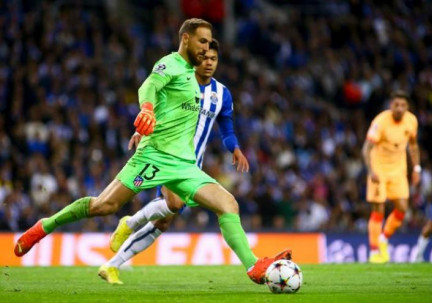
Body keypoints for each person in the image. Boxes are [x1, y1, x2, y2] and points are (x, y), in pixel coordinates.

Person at [14, 18, 291, 284]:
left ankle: (253, 267)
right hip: (154, 156)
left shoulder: (202, 81)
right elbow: (149, 86)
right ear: (186, 39)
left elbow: (178, 109)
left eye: (210, 47)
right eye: (202, 42)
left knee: (228, 204)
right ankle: (45, 225)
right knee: (103, 206)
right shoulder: (170, 63)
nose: (206, 50)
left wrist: (232, 145)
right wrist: (146, 109)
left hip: (185, 165)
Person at [98, 39, 251, 284]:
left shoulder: (222, 94)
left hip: (192, 165)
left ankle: (115, 256)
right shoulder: (179, 80)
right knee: (174, 203)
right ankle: (124, 237)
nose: (209, 63)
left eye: (214, 59)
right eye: (205, 58)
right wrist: (142, 129)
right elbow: (156, 104)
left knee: (166, 219)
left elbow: (226, 128)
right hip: (167, 155)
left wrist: (235, 148)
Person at [362, 90, 420, 263]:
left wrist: (416, 168)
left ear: (407, 107)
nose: (400, 108)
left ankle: (383, 238)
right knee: (378, 209)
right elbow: (366, 149)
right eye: (396, 105)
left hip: (398, 170)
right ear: (390, 105)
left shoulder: (411, 121)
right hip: (378, 169)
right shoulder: (380, 122)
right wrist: (371, 170)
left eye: (403, 105)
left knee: (402, 208)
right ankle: (374, 253)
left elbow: (413, 146)